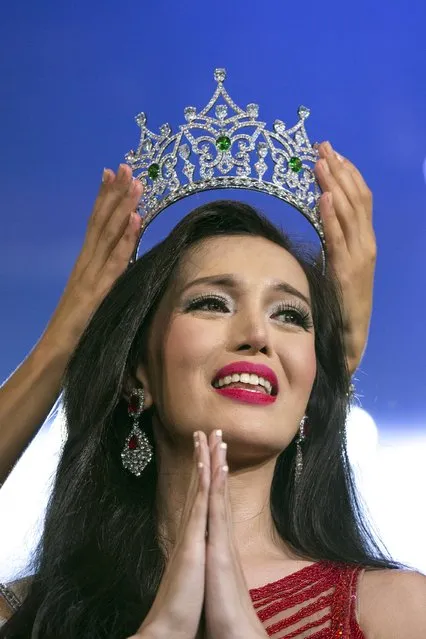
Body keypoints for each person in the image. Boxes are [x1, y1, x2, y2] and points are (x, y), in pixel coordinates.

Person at [0, 145, 424, 638]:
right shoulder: (32, 615)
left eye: (289, 315)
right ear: (138, 372)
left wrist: (326, 375)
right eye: (212, 303)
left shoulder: (393, 611)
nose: (257, 335)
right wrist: (66, 338)